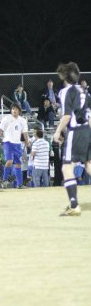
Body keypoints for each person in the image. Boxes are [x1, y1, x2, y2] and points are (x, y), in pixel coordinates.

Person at [53, 62, 91, 216]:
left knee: (67, 168)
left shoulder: (65, 91)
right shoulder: (84, 90)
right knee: (88, 165)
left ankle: (74, 205)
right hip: (87, 131)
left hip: (75, 132)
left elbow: (67, 116)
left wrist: (57, 132)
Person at [0, 102, 30, 188]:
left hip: (17, 144)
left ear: (19, 110)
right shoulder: (6, 119)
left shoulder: (22, 121)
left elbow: (25, 132)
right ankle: (4, 180)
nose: (14, 110)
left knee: (18, 164)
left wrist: (27, 141)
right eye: (13, 109)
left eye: (16, 109)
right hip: (8, 143)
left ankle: (20, 185)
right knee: (9, 161)